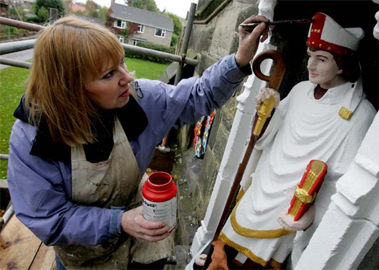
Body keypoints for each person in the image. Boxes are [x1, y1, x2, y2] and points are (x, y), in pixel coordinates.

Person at [6, 15, 270, 269]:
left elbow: (195, 96)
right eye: (109, 74)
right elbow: (48, 218)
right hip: (84, 255)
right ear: (70, 88)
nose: (127, 78)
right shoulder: (33, 138)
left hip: (142, 232)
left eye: (122, 62)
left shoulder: (138, 100)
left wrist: (239, 59)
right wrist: (117, 221)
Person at [207, 12, 376, 270]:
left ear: (342, 63)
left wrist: (312, 215)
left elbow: (344, 181)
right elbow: (264, 140)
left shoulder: (359, 114)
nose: (310, 66)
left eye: (322, 59)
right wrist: (268, 112)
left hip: (290, 208)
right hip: (262, 187)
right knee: (221, 255)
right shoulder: (299, 91)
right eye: (310, 57)